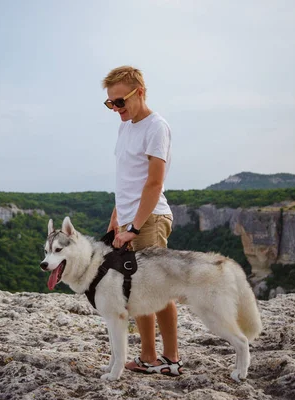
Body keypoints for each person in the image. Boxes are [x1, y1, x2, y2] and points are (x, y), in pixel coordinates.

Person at [101, 65, 182, 376]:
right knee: (138, 292)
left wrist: (134, 227)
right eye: (110, 103)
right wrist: (116, 221)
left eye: (120, 101)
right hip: (128, 220)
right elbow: (126, 181)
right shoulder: (126, 127)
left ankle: (171, 358)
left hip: (149, 219)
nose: (115, 108)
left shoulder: (156, 127)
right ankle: (148, 357)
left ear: (140, 92)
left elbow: (153, 183)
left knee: (158, 289)